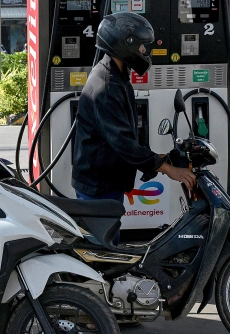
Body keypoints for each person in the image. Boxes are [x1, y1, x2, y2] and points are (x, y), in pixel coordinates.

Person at [72, 12, 196, 209]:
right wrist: (168, 169)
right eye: (141, 45)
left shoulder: (116, 76)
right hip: (98, 185)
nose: (144, 51)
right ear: (125, 44)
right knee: (105, 229)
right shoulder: (106, 87)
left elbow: (126, 132)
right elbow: (122, 142)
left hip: (106, 178)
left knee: (112, 228)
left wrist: (154, 158)